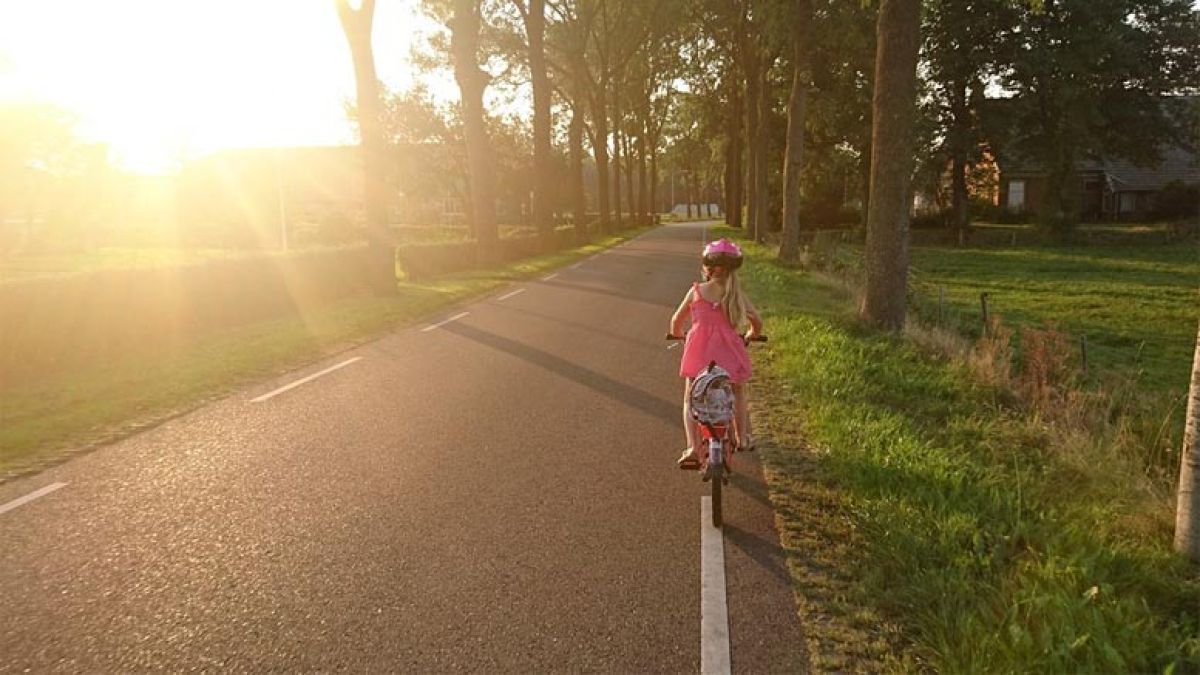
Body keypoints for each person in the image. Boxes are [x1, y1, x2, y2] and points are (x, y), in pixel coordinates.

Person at [668, 238, 763, 468]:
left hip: (699, 354)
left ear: (707, 268)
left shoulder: (696, 291)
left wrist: (679, 335)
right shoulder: (736, 295)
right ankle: (741, 438)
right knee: (738, 389)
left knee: (690, 396)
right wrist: (751, 334)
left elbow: (676, 321)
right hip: (730, 353)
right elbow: (757, 322)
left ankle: (693, 447)